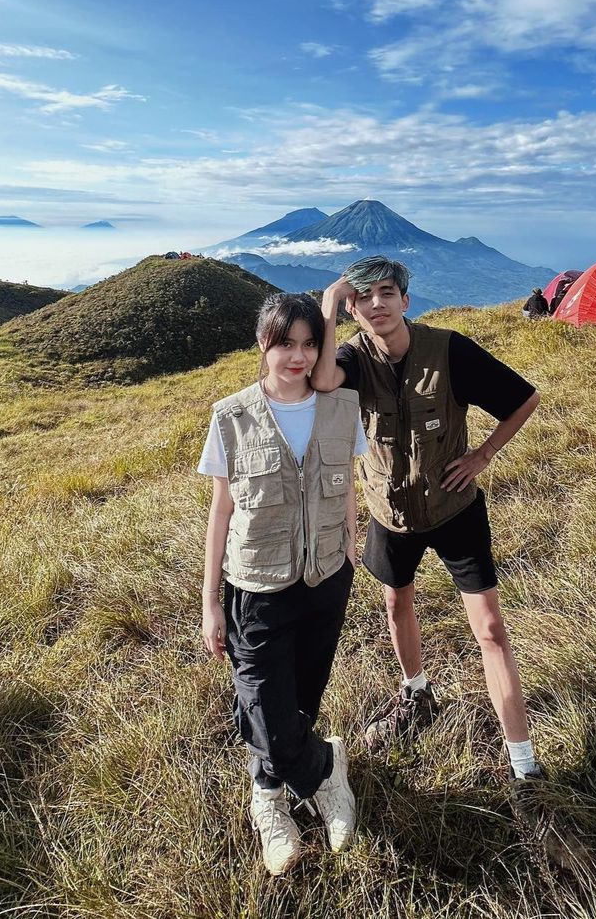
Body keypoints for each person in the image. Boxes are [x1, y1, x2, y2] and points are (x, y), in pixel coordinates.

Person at [313, 257, 545, 799]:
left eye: (387, 293)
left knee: (489, 629)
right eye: (363, 297)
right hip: (390, 514)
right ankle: (416, 693)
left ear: (405, 301)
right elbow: (322, 380)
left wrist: (483, 454)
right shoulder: (350, 358)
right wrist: (328, 302)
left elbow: (523, 399)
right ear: (352, 308)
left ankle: (526, 768)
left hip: (454, 509)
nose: (376, 304)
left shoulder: (448, 350)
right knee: (397, 604)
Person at [199, 292, 367, 875]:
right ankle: (314, 775)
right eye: (284, 344)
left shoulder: (344, 407)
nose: (296, 357)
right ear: (262, 346)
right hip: (255, 584)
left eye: (308, 345)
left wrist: (349, 543)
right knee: (267, 710)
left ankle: (273, 783)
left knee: (301, 698)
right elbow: (221, 512)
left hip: (326, 579)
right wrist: (210, 604)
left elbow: (346, 482)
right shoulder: (231, 416)